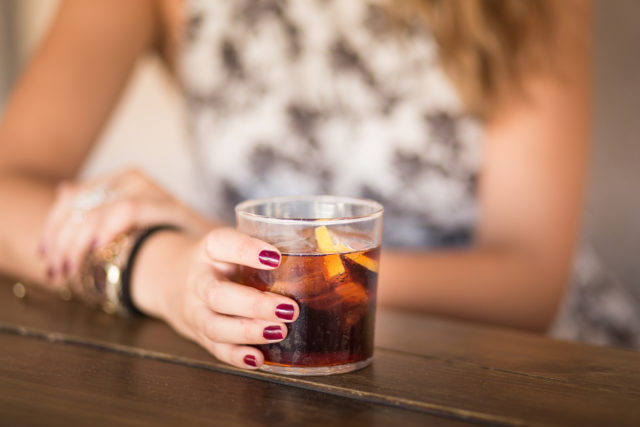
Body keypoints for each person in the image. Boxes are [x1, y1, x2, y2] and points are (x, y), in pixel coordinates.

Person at [0, 0, 614, 372]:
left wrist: (287, 273)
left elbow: (528, 283)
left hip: (510, 364)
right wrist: (166, 264)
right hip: (277, 348)